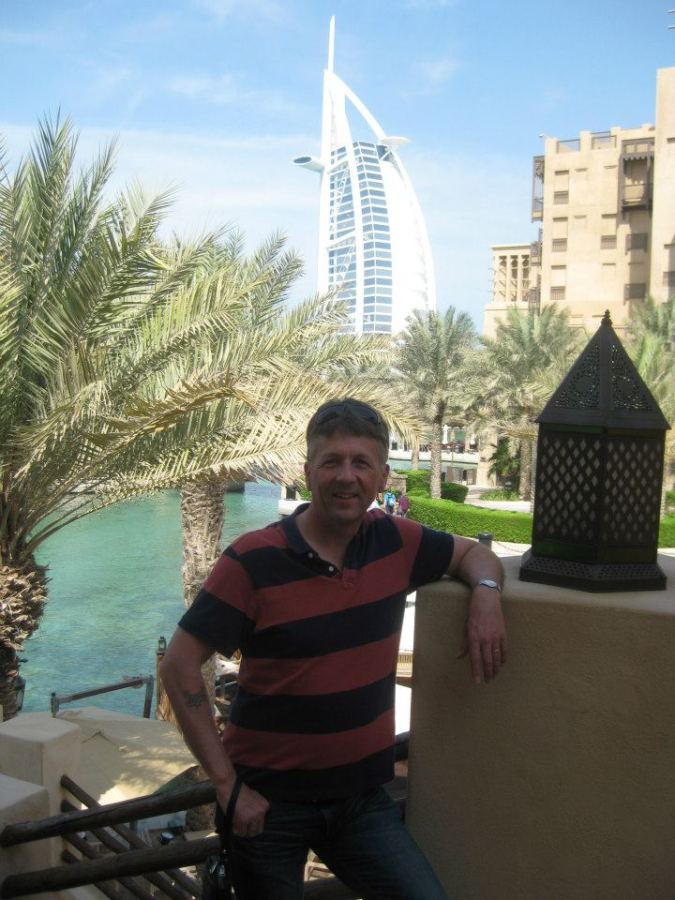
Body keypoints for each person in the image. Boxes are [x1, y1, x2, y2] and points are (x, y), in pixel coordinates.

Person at [160, 398, 507, 900]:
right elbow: (179, 667)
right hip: (265, 803)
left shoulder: (396, 541)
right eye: (332, 461)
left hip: (360, 801)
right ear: (308, 472)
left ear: (382, 476)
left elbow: (475, 554)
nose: (347, 476)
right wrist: (226, 785)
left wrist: (487, 597)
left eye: (361, 462)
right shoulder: (252, 560)